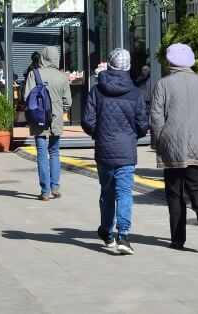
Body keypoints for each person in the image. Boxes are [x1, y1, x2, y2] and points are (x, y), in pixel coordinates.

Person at [150, 43, 198, 251]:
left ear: (170, 61)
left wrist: (158, 142)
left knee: (174, 193)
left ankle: (178, 239)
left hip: (172, 146)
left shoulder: (163, 84)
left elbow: (156, 117)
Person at [82, 48, 148, 255]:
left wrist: (99, 134)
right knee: (124, 192)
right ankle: (124, 236)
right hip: (126, 150)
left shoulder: (96, 91)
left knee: (107, 192)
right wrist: (132, 136)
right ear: (128, 67)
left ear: (109, 65)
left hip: (104, 149)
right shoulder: (135, 93)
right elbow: (143, 124)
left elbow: (87, 121)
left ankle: (107, 232)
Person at [24, 45, 71, 201]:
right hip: (56, 117)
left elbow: (26, 97)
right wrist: (60, 110)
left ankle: (45, 191)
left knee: (42, 152)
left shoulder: (34, 74)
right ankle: (55, 186)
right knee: (55, 151)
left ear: (42, 57)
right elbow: (68, 102)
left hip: (39, 117)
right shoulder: (62, 76)